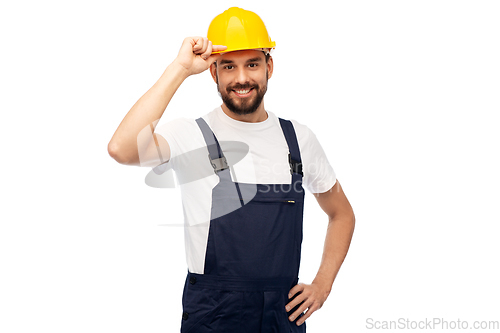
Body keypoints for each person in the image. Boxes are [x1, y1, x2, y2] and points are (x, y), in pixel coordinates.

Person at [108, 7, 355, 333]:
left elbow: (342, 213)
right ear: (213, 73)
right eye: (228, 66)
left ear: (269, 66)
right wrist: (180, 68)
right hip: (213, 314)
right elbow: (121, 149)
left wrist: (323, 283)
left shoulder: (299, 139)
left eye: (252, 64)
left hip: (284, 315)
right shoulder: (190, 135)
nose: (241, 78)